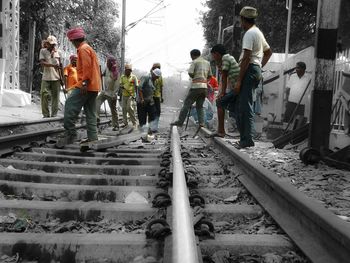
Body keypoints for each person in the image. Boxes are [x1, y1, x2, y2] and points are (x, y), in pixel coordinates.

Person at [56, 27, 101, 151]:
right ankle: (93, 137)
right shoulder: (88, 48)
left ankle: (71, 134)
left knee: (70, 106)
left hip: (86, 84)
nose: (71, 43)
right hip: (94, 86)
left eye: (71, 41)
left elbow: (86, 67)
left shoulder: (83, 49)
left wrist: (85, 82)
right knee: (90, 112)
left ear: (74, 40)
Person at [233, 6, 272, 148]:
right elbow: (268, 52)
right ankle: (245, 137)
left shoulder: (249, 34)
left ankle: (247, 140)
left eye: (241, 21)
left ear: (243, 19)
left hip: (249, 69)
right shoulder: (258, 33)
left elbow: (246, 58)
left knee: (245, 106)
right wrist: (259, 67)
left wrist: (239, 80)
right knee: (244, 104)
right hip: (254, 69)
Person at [171, 49, 212, 128]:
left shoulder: (195, 62)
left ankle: (180, 122)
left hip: (196, 87)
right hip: (204, 88)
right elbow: (210, 75)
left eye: (191, 57)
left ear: (193, 55)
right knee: (200, 106)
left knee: (186, 104)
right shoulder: (207, 63)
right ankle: (201, 123)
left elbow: (190, 72)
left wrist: (195, 77)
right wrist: (204, 79)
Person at [210, 44, 240, 137]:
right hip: (234, 87)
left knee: (220, 102)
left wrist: (222, 93)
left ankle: (221, 131)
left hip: (238, 87)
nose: (212, 57)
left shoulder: (226, 58)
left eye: (213, 55)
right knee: (227, 106)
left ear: (217, 54)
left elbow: (224, 76)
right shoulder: (224, 60)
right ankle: (221, 130)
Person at [39, 35, 61, 118]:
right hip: (46, 77)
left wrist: (62, 79)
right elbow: (42, 63)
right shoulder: (43, 51)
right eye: (51, 44)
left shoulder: (57, 52)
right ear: (47, 44)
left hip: (56, 77)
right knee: (44, 94)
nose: (52, 46)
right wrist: (52, 65)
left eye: (54, 44)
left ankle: (54, 115)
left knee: (56, 96)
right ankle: (45, 114)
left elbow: (60, 66)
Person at [96, 56, 120, 131]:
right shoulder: (107, 68)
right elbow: (103, 74)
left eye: (108, 62)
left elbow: (117, 85)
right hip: (105, 91)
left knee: (113, 110)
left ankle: (116, 125)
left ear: (111, 63)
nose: (107, 63)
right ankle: (97, 118)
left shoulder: (115, 73)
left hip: (111, 93)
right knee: (97, 101)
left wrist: (114, 94)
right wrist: (101, 74)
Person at [138, 68, 162, 133]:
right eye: (156, 77)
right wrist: (142, 99)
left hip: (149, 101)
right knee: (142, 117)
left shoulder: (153, 80)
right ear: (153, 74)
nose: (156, 78)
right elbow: (140, 88)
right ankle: (142, 131)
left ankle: (151, 129)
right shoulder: (146, 77)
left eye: (158, 77)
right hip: (142, 101)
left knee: (153, 115)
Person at [119, 64, 138, 128]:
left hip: (131, 95)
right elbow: (120, 84)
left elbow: (136, 86)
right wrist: (122, 86)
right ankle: (125, 123)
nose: (128, 71)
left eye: (130, 70)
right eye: (127, 70)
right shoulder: (122, 77)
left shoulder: (133, 77)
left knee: (129, 108)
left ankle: (134, 123)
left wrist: (135, 95)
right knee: (124, 109)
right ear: (125, 70)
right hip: (124, 95)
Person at [151, 63, 164, 132]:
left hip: (157, 96)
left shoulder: (160, 76)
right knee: (151, 111)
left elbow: (161, 87)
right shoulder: (150, 76)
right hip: (151, 96)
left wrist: (162, 96)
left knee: (158, 111)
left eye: (159, 67)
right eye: (156, 67)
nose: (158, 68)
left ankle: (155, 126)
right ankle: (151, 126)